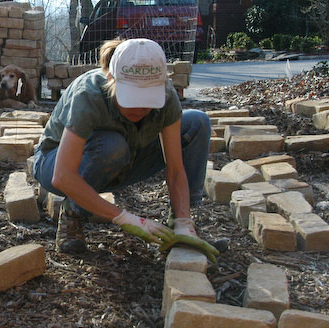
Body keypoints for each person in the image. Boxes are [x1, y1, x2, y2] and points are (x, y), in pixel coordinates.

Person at [32, 38, 217, 259]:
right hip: (53, 163)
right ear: (111, 80)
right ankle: (73, 215)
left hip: (124, 157)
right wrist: (124, 217)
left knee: (197, 122)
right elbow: (62, 176)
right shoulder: (88, 95)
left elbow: (176, 169)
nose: (140, 108)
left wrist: (183, 222)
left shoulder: (167, 96)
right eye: (132, 98)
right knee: (112, 146)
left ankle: (181, 222)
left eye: (148, 100)